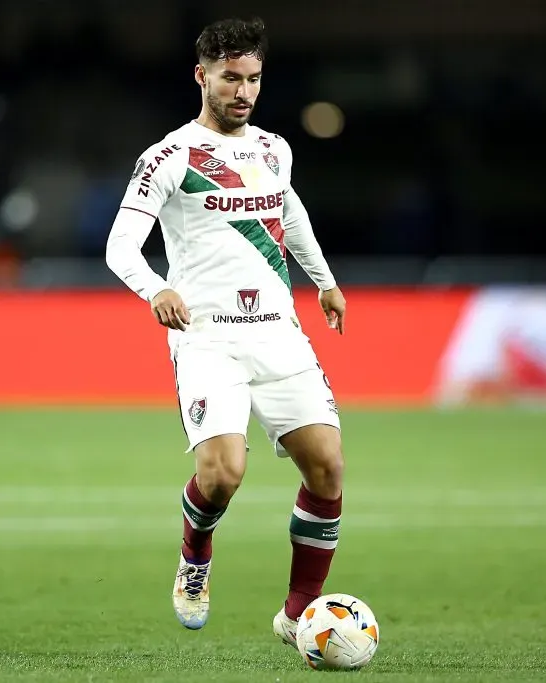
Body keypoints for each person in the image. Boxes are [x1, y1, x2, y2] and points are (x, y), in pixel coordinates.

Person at [105, 17, 347, 648]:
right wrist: (155, 288)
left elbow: (289, 212)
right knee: (222, 475)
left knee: (327, 470)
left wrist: (323, 281)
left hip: (279, 333)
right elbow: (120, 245)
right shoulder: (170, 157)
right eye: (231, 78)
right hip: (207, 337)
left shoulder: (273, 149)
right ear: (202, 76)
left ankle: (299, 616)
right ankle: (195, 557)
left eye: (254, 79)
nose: (243, 91)